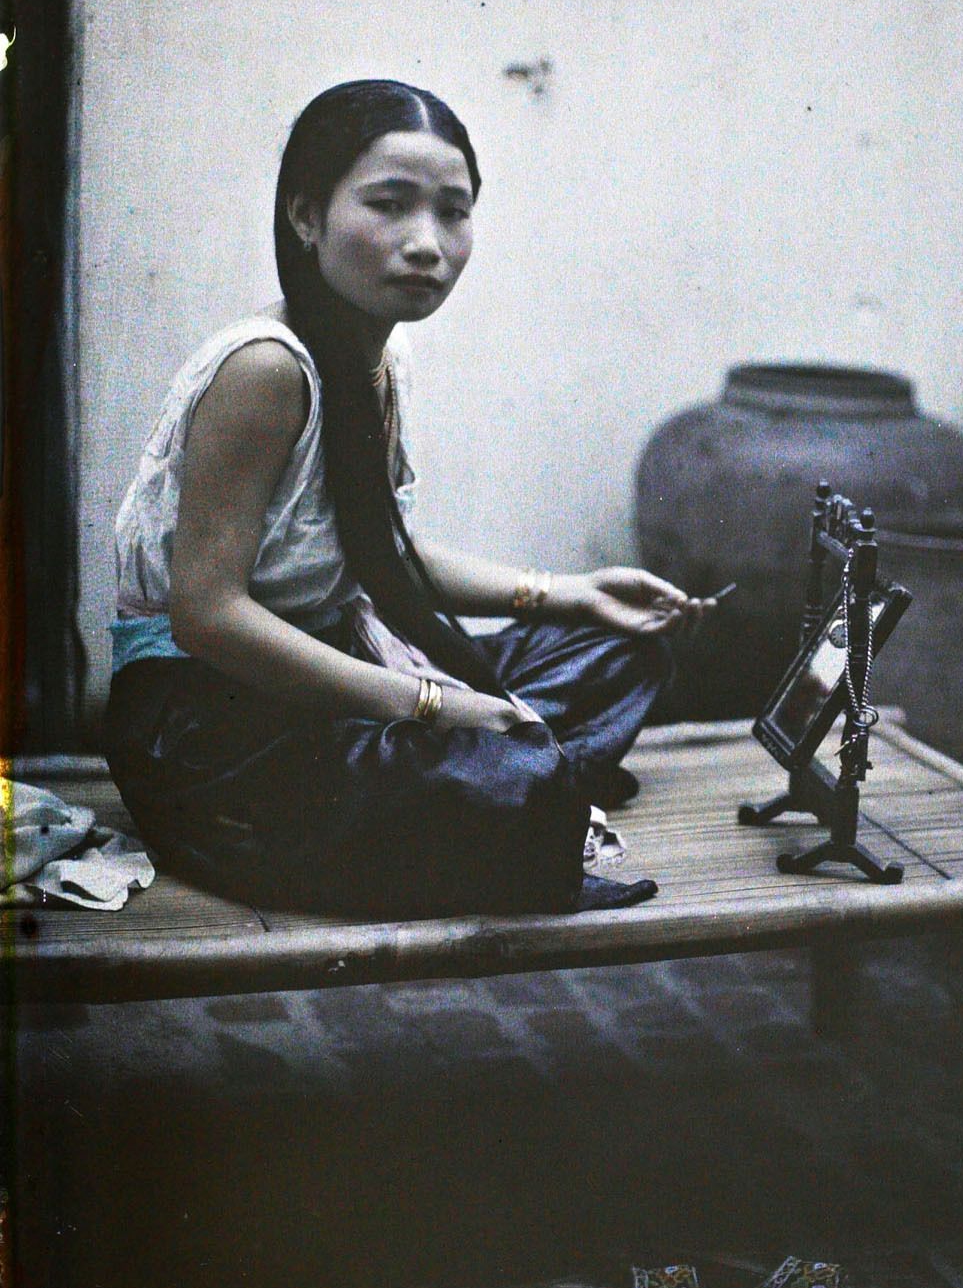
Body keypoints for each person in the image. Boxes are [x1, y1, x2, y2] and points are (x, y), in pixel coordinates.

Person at [104, 78, 711, 920]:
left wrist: (573, 594)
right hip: (212, 724)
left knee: (620, 649)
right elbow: (207, 616)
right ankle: (520, 780)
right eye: (388, 205)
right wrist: (434, 706)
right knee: (510, 772)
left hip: (338, 670)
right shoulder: (266, 369)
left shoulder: (380, 363)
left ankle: (514, 778)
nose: (426, 243)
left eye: (452, 212)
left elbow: (381, 552)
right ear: (306, 215)